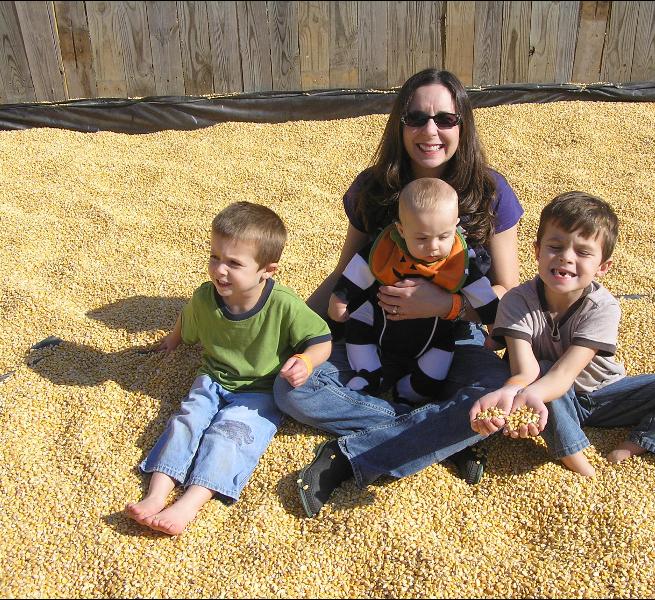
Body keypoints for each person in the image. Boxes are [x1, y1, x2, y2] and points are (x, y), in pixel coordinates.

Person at [274, 68, 524, 518]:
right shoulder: (374, 188)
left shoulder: (490, 191)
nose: (430, 131)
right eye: (416, 118)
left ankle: (348, 456)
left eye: (444, 119)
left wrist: (446, 304)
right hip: (375, 332)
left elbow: (507, 294)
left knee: (494, 394)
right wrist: (298, 333)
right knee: (291, 388)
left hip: (454, 336)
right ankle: (443, 434)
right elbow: (344, 274)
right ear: (400, 124)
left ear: (462, 125)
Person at [469, 191, 655, 476]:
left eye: (583, 252)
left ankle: (639, 443)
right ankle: (573, 455)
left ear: (603, 267)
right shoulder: (516, 301)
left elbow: (567, 372)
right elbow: (525, 371)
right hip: (548, 395)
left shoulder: (603, 307)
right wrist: (514, 392)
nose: (566, 258)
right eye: (555, 247)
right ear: (537, 251)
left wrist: (529, 393)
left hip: (605, 393)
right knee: (544, 371)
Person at [125, 201, 332, 534]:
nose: (219, 270)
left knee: (231, 436)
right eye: (215, 257)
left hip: (260, 390)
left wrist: (306, 361)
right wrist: (172, 340)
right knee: (187, 421)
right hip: (212, 378)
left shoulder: (284, 305)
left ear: (268, 270)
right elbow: (188, 318)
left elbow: (322, 340)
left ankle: (188, 504)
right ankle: (156, 494)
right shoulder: (205, 299)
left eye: (234, 263)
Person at [331, 177, 498, 403]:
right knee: (357, 326)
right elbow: (358, 269)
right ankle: (369, 373)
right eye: (421, 238)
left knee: (437, 379)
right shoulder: (387, 249)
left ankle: (407, 395)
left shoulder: (459, 260)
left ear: (456, 226)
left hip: (433, 337)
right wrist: (340, 299)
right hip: (377, 327)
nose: (433, 247)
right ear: (401, 230)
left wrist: (496, 328)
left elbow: (484, 294)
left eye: (444, 236)